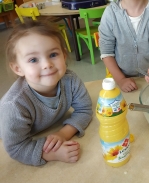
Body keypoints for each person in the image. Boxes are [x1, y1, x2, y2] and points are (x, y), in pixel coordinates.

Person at [0, 20, 93, 166]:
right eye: (33, 59)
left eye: (53, 54)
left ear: (64, 55)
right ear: (18, 68)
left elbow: (85, 109)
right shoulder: (14, 106)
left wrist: (63, 134)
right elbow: (16, 147)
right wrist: (51, 154)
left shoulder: (71, 80)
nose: (47, 65)